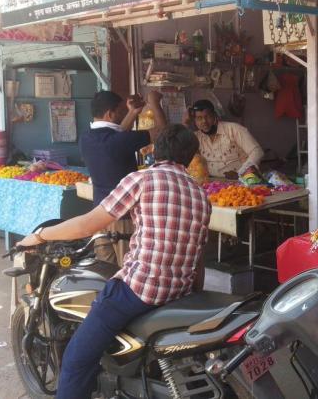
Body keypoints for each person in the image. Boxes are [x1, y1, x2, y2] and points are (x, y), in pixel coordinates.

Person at [18, 125, 211, 399]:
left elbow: (88, 225)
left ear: (154, 151)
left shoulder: (142, 180)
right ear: (191, 157)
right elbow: (199, 257)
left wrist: (39, 236)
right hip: (180, 293)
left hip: (138, 291)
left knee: (76, 359)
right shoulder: (200, 194)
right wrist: (192, 294)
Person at [79, 90, 167, 265]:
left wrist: (133, 112)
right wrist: (154, 103)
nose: (122, 115)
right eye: (120, 112)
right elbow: (163, 133)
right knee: (126, 267)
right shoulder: (118, 142)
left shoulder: (86, 138)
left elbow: (117, 134)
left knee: (105, 269)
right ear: (110, 114)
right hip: (122, 216)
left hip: (99, 215)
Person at [188, 99, 263, 178]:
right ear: (195, 121)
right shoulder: (196, 137)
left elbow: (257, 152)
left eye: (207, 116)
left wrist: (241, 173)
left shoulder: (234, 129)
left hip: (241, 183)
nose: (204, 121)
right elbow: (181, 153)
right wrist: (185, 123)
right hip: (212, 184)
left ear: (214, 116)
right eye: (199, 118)